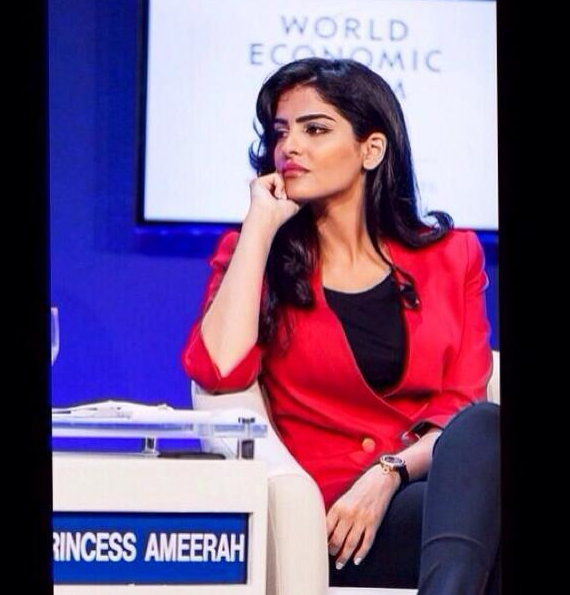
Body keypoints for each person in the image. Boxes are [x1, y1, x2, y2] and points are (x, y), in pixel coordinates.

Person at [180, 57, 500, 593]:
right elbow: (218, 371)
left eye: (314, 129)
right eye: (280, 132)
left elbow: (460, 404)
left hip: (423, 485)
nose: (290, 147)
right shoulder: (254, 254)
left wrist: (389, 472)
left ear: (371, 149)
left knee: (486, 427)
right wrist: (259, 226)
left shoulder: (452, 256)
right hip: (330, 520)